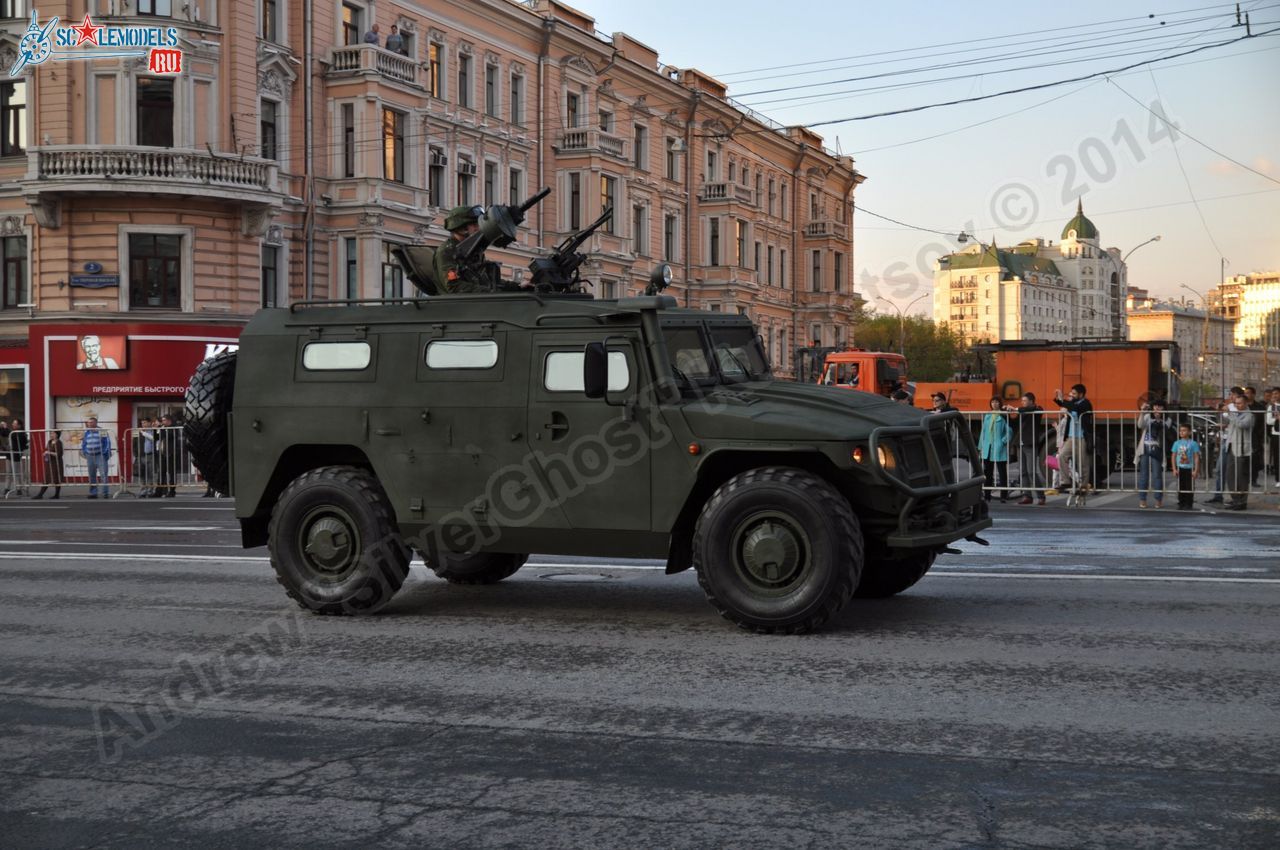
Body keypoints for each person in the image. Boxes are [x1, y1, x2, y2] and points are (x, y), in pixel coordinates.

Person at [432, 205, 498, 293]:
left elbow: (488, 281)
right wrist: (488, 292)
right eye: (475, 225)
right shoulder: (447, 251)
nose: (479, 228)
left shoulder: (473, 250)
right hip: (458, 304)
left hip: (479, 302)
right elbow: (454, 286)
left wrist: (518, 286)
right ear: (462, 228)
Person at [1052, 384, 1093, 494]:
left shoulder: (1085, 403)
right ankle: (1065, 481)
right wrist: (1059, 399)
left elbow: (1075, 408)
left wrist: (1063, 400)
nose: (1072, 395)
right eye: (1072, 393)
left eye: (1074, 394)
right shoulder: (1073, 403)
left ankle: (1083, 486)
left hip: (1081, 437)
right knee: (1061, 456)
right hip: (1070, 437)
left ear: (1081, 394)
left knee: (1083, 463)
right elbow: (1068, 406)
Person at [1006, 392, 1046, 505]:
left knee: (1031, 471)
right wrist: (1008, 413)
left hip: (1030, 443)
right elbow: (1014, 424)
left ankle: (1041, 496)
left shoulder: (1037, 409)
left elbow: (1033, 409)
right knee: (1023, 472)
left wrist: (1016, 408)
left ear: (1031, 401)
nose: (1022, 402)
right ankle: (1027, 496)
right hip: (1020, 443)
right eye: (1022, 401)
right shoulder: (1022, 411)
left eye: (1024, 400)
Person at [1136, 400, 1173, 509]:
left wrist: (1158, 419)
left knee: (1157, 475)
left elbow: (1164, 429)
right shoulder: (1147, 416)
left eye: (1160, 406)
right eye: (1155, 406)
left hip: (1157, 449)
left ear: (1164, 408)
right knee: (1144, 475)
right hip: (1145, 448)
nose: (1157, 408)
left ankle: (1158, 500)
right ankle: (1142, 499)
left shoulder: (1167, 419)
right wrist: (1142, 412)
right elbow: (1140, 425)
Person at [1221, 387, 1254, 511]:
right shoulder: (1235, 414)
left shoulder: (1249, 415)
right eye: (1236, 403)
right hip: (1231, 446)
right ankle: (1235, 499)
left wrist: (1230, 414)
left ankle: (1242, 501)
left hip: (1242, 449)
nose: (1237, 405)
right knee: (1230, 476)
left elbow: (1241, 425)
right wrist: (1225, 414)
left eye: (1239, 403)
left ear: (1246, 403)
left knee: (1241, 476)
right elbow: (1228, 422)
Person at [978, 397, 1011, 502]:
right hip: (988, 447)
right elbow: (983, 432)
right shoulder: (988, 415)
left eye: (997, 402)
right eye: (992, 402)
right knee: (988, 472)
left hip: (998, 446)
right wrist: (980, 446)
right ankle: (987, 495)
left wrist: (1003, 441)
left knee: (1002, 472)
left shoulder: (1003, 415)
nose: (994, 404)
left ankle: (1003, 496)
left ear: (1000, 403)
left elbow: (1009, 431)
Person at [1169, 423, 1201, 511]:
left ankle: (1189, 503)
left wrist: (1196, 470)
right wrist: (1174, 468)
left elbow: (1196, 457)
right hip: (1180, 468)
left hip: (1189, 468)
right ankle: (1181, 503)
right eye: (1180, 431)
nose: (1182, 432)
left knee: (1189, 486)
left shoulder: (1193, 443)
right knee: (1180, 486)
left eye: (1184, 430)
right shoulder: (1177, 443)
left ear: (1189, 432)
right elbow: (1173, 456)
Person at [81, 416, 112, 499]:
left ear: (95, 423)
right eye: (88, 422)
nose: (89, 424)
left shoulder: (102, 431)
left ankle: (105, 493)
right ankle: (93, 493)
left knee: (103, 475)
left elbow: (107, 442)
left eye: (91, 422)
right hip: (90, 456)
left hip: (100, 455)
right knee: (91, 475)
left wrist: (104, 453)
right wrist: (85, 451)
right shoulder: (86, 432)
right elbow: (84, 442)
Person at [155, 414, 181, 498]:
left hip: (171, 453)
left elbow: (169, 436)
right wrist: (157, 429)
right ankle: (159, 491)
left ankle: (172, 491)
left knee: (172, 473)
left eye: (164, 420)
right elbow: (157, 438)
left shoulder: (173, 428)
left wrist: (161, 429)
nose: (162, 422)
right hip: (163, 453)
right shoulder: (163, 428)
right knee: (161, 472)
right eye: (162, 420)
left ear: (169, 421)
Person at [33, 430, 64, 500]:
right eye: (51, 433)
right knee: (46, 478)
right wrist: (45, 453)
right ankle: (40, 494)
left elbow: (59, 454)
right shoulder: (49, 442)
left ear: (57, 435)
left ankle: (56, 494)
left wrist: (49, 452)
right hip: (49, 462)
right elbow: (47, 450)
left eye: (53, 433)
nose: (51, 435)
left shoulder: (59, 443)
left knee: (57, 478)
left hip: (56, 463)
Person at [1245, 386, 1266, 486]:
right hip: (1244, 434)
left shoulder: (1260, 407)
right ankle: (1245, 479)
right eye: (1245, 393)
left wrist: (1260, 435)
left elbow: (1262, 422)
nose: (1246, 395)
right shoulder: (1242, 406)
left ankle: (1254, 479)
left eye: (1248, 393)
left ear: (1253, 394)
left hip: (1256, 435)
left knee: (1255, 458)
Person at [3, 418, 28, 496]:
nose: (13, 424)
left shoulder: (21, 433)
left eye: (15, 423)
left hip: (16, 455)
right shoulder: (12, 432)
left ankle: (19, 488)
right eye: (13, 423)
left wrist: (6, 428)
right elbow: (3, 433)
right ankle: (7, 488)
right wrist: (2, 428)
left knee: (17, 473)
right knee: (8, 472)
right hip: (9, 455)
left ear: (19, 425)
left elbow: (15, 437)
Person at [1266, 387, 1280, 486]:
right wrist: (1277, 418)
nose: (1274, 396)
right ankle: (1278, 479)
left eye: (1276, 393)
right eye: (1273, 394)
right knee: (1277, 458)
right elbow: (1268, 421)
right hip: (1276, 434)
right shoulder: (1272, 407)